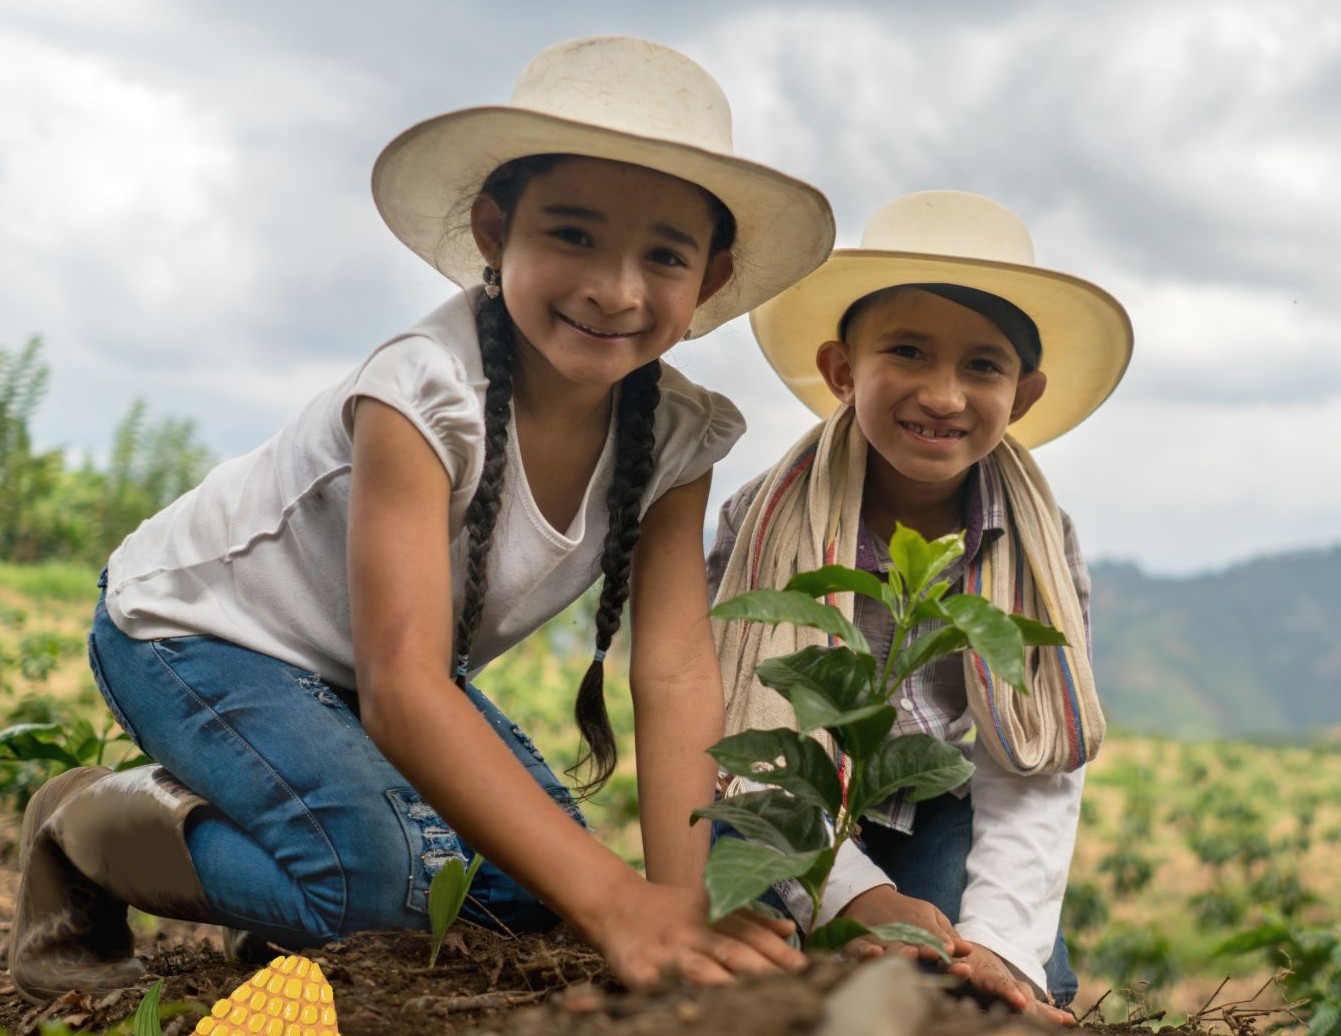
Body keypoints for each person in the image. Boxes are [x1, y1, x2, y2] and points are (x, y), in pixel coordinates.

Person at [8, 36, 836, 1003]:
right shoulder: (422, 391)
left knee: (523, 897)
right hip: (194, 630)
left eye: (664, 255)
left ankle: (283, 885)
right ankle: (82, 827)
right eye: (572, 235)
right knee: (384, 884)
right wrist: (615, 903)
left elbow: (676, 670)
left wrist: (679, 902)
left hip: (350, 671)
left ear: (712, 279)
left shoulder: (679, 436)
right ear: (493, 230)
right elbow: (404, 691)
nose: (616, 289)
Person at [707, 190, 1132, 1025]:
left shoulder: (1038, 546)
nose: (943, 396)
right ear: (841, 370)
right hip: (785, 794)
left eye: (983, 366)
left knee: (973, 969)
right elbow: (740, 730)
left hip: (932, 804)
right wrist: (856, 896)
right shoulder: (763, 518)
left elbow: (1033, 763)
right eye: (906, 351)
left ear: (1024, 394)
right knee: (770, 939)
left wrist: (998, 947)